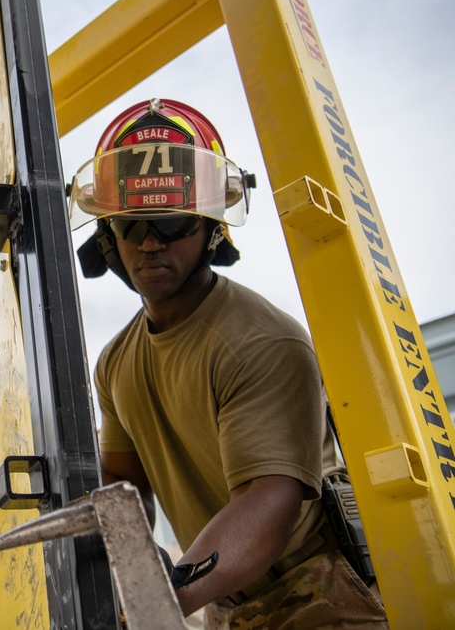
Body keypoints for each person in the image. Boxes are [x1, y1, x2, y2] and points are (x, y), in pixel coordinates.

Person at [70, 98, 388, 628]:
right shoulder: (116, 362)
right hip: (224, 603)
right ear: (106, 234)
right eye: (131, 224)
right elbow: (125, 490)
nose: (150, 242)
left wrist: (157, 597)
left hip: (321, 594)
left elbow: (269, 503)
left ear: (211, 227)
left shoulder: (263, 342)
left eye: (170, 221)